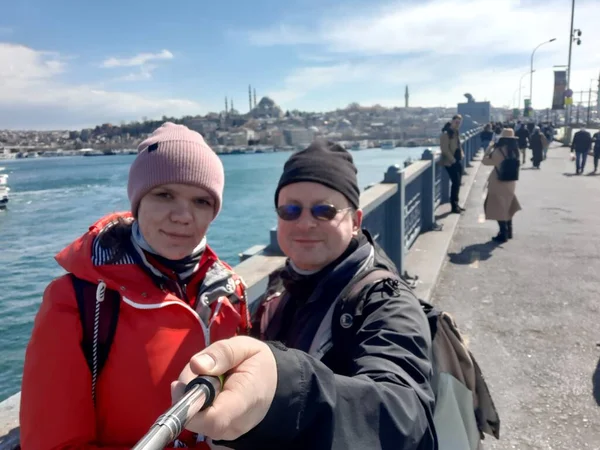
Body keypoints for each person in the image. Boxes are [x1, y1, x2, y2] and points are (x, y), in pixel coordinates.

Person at [173, 141, 437, 449]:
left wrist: (285, 390)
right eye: (290, 210)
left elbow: (406, 416)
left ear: (356, 222)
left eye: (325, 211)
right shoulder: (280, 287)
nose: (305, 223)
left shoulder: (385, 301)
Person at [20, 123, 251, 449]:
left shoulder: (229, 291)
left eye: (201, 201)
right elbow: (53, 443)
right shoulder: (76, 299)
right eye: (164, 195)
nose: (183, 216)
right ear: (137, 202)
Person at [482, 128, 522, 242]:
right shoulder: (515, 151)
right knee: (507, 206)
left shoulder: (498, 151)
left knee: (497, 208)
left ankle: (503, 233)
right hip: (511, 182)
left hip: (498, 182)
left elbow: (485, 161)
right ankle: (509, 232)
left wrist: (490, 147)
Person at [440, 114, 465, 214]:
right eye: (456, 122)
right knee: (455, 183)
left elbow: (458, 145)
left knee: (458, 183)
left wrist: (462, 153)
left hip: (457, 160)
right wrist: (453, 160)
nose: (458, 124)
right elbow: (445, 149)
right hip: (450, 162)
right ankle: (454, 206)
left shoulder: (456, 132)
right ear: (452, 121)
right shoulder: (446, 134)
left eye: (459, 122)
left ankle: (457, 204)